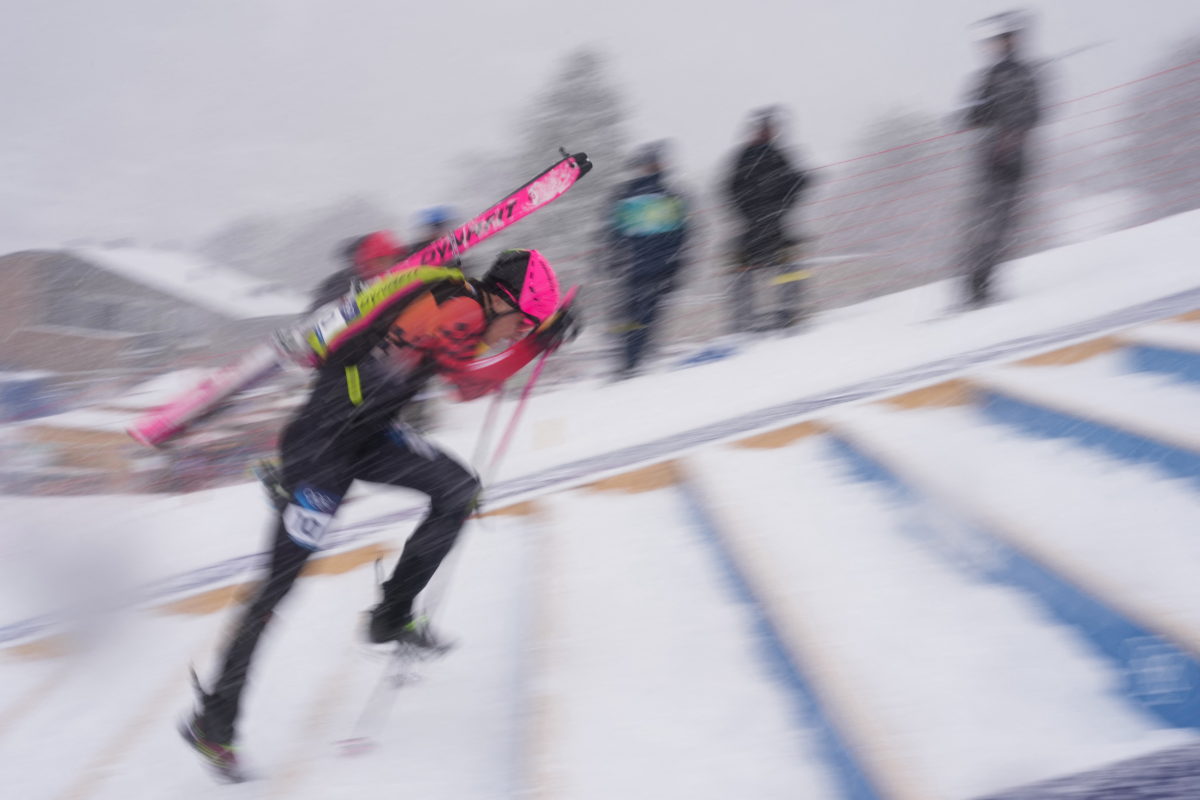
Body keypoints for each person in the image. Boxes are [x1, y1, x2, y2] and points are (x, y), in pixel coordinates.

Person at [182, 249, 578, 780]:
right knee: (277, 588)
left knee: (457, 490)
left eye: (528, 326)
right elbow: (470, 385)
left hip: (367, 436)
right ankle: (214, 721)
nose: (517, 332)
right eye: (523, 321)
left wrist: (540, 333)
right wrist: (537, 344)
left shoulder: (461, 305)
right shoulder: (459, 310)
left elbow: (461, 359)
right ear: (502, 301)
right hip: (321, 450)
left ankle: (391, 616)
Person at [956, 10, 1042, 310]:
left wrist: (1009, 125)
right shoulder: (990, 76)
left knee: (997, 227)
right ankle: (973, 286)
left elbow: (1034, 114)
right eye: (995, 41)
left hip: (1011, 165)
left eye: (1004, 39)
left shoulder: (1024, 75)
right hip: (988, 164)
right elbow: (971, 114)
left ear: (1015, 41)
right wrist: (977, 112)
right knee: (981, 226)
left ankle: (981, 286)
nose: (998, 45)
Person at [605, 141, 690, 379]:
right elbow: (681, 236)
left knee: (632, 317)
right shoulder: (670, 197)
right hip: (655, 269)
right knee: (645, 318)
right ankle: (634, 360)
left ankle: (629, 361)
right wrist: (676, 265)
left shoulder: (625, 196)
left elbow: (612, 234)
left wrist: (612, 259)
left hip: (637, 268)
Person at [725, 107, 810, 333]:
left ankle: (788, 313)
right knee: (741, 266)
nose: (766, 133)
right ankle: (744, 321)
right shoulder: (745, 157)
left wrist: (780, 207)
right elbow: (730, 190)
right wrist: (754, 212)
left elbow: (794, 184)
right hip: (754, 228)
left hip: (772, 226)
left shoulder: (777, 155)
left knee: (789, 264)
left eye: (769, 128)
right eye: (762, 129)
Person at [309, 230, 406, 312]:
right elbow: (314, 317)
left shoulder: (400, 278)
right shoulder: (344, 287)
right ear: (365, 263)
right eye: (381, 261)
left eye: (394, 260)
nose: (389, 266)